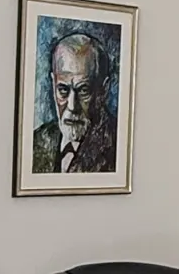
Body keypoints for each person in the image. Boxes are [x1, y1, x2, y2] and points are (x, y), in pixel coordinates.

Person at [32, 31, 117, 175]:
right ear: (53, 85)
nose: (72, 106)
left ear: (103, 90)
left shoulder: (117, 145)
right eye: (63, 90)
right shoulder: (36, 141)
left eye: (83, 90)